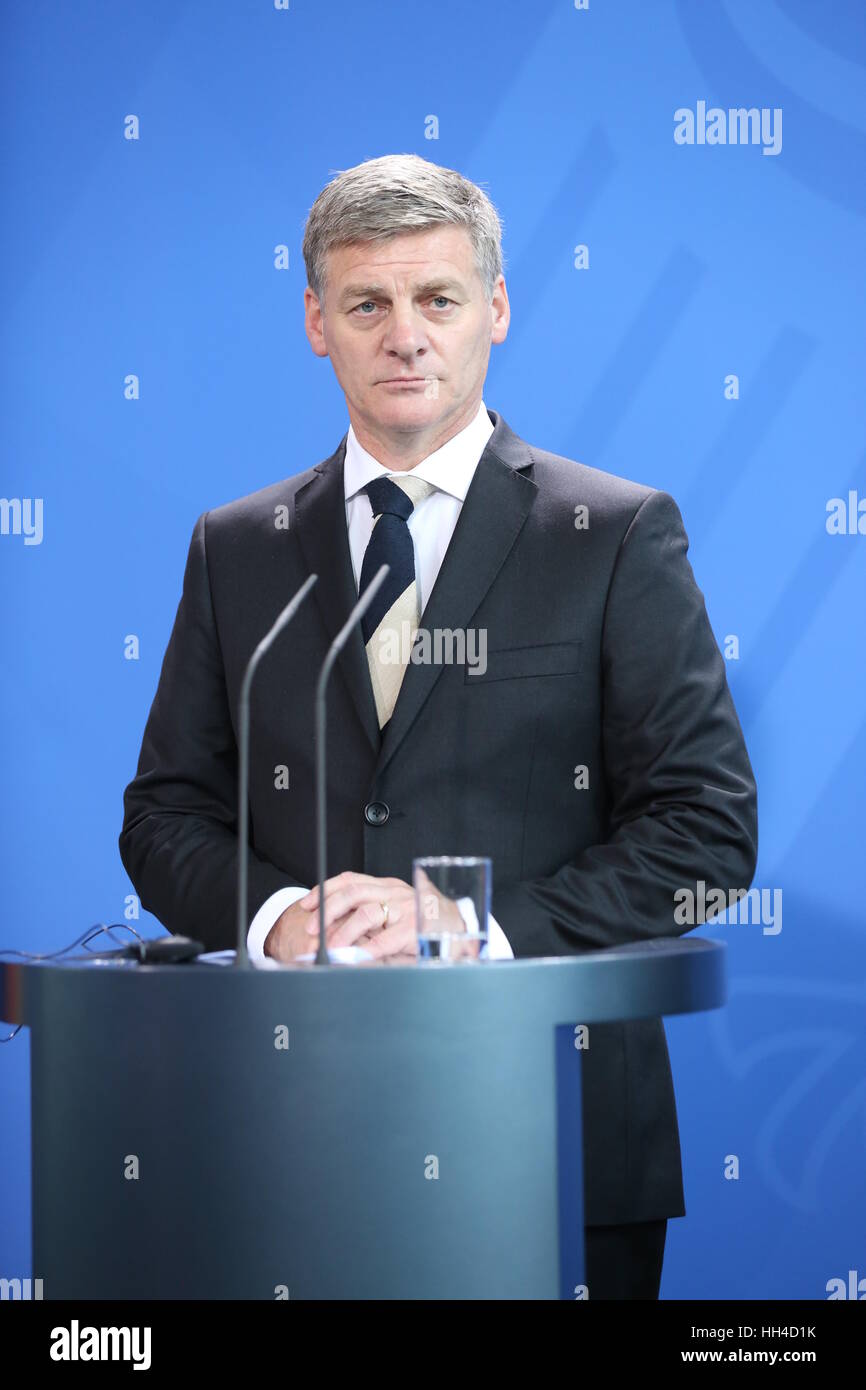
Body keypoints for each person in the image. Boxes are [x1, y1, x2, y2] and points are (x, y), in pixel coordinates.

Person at [119, 153, 758, 1299]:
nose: (404, 335)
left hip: (551, 1135)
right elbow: (165, 815)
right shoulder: (238, 546)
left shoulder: (609, 535)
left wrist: (473, 926)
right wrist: (280, 914)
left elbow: (706, 837)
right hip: (289, 1129)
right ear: (317, 322)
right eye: (367, 303)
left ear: (496, 312)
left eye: (438, 300)